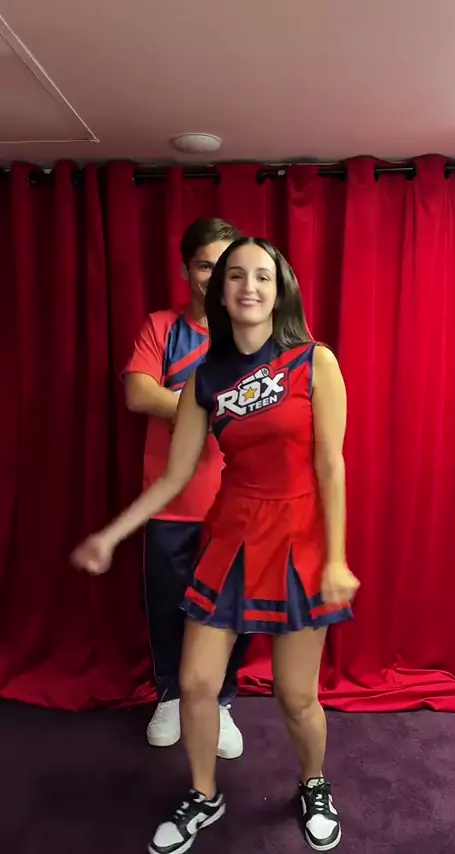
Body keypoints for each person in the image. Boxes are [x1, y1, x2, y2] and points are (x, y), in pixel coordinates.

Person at [72, 236, 360, 853]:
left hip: (300, 540)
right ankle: (204, 794)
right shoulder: (204, 379)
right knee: (197, 683)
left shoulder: (316, 362)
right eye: (235, 276)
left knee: (296, 696)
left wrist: (336, 558)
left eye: (262, 276)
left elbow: (331, 465)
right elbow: (175, 476)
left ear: (280, 290)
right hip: (230, 538)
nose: (249, 286)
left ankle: (313, 783)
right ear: (218, 292)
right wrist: (112, 535)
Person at [122, 218, 247, 759]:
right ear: (185, 269)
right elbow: (138, 393)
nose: (214, 277)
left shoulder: (252, 331)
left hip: (239, 503)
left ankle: (220, 701)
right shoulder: (162, 327)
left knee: (229, 611)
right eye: (204, 265)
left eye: (225, 267)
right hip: (170, 504)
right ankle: (171, 696)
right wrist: (205, 406)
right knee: (169, 607)